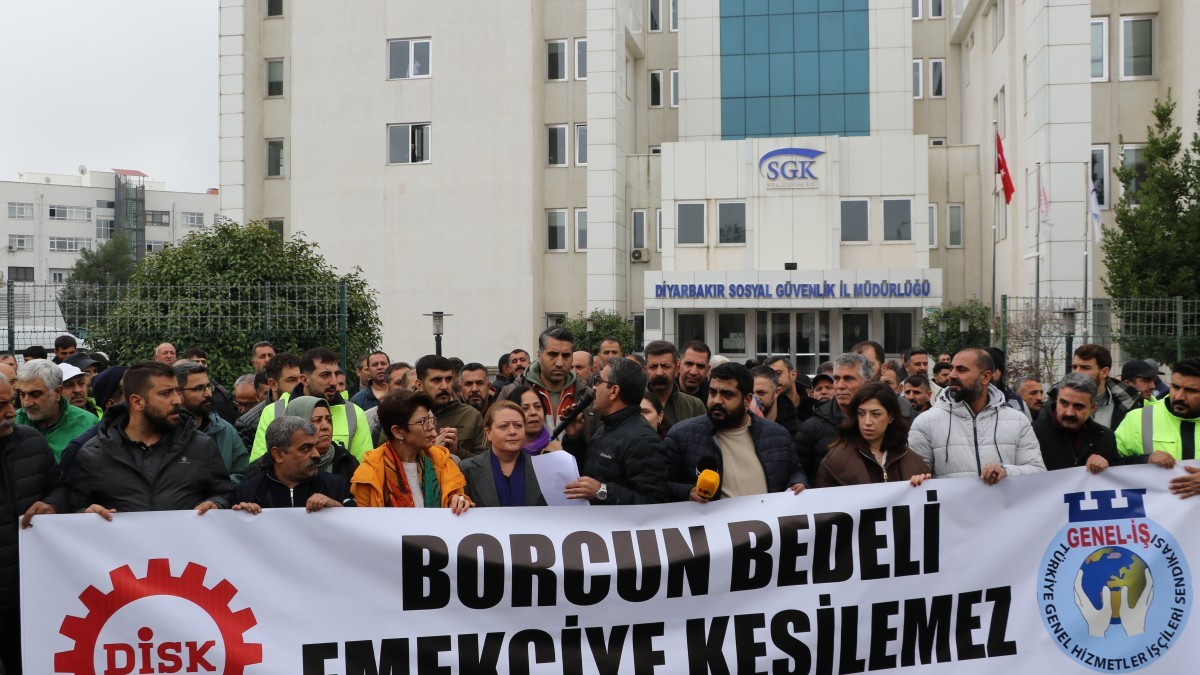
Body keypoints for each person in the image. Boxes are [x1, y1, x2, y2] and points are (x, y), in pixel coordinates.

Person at [67, 361, 233, 517]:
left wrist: (216, 504)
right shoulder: (93, 454)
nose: (177, 400)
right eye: (166, 393)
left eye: (176, 391)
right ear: (137, 402)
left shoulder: (201, 446)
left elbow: (225, 493)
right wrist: (86, 513)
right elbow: (73, 508)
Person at [0, 374, 68, 675]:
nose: (11, 412)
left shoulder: (31, 442)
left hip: (30, 593)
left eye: (11, 401)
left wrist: (52, 504)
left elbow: (60, 487)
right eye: (1, 405)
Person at [665, 362, 806, 502]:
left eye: (727, 394)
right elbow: (664, 484)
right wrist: (688, 492)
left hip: (767, 516)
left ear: (747, 400)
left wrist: (798, 483)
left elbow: (795, 472)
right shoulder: (681, 435)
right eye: (713, 392)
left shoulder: (777, 435)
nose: (716, 400)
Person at [908, 349, 1045, 482]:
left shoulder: (1017, 420)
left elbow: (1037, 471)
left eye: (961, 369)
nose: (952, 375)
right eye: (952, 368)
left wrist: (1007, 472)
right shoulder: (925, 422)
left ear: (985, 377)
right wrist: (919, 480)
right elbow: (914, 477)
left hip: (1004, 499)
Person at [563, 358, 667, 504]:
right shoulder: (605, 428)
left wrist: (602, 491)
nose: (594, 387)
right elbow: (588, 476)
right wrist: (574, 438)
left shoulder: (643, 440)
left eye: (598, 381)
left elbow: (653, 501)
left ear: (614, 391)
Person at [351, 391, 471, 511]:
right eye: (422, 422)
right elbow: (365, 518)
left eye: (430, 420)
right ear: (397, 432)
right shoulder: (370, 471)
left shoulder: (441, 460)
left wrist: (459, 500)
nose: (431, 427)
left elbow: (456, 495)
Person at [250, 348, 373, 462]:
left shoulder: (354, 413)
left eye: (336, 374)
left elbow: (364, 468)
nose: (334, 382)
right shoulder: (274, 411)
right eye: (325, 375)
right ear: (304, 380)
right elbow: (260, 465)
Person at [815, 382, 931, 488]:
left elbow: (925, 501)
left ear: (891, 417)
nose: (867, 422)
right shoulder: (835, 461)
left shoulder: (913, 461)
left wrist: (922, 486)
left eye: (875, 414)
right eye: (861, 413)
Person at [1114, 358, 1200, 498]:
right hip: (1152, 509)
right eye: (1175, 387)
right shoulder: (1138, 419)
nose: (1179, 396)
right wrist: (1145, 460)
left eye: (1191, 391)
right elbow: (1110, 464)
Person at [231, 416, 355, 512]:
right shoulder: (246, 493)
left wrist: (337, 509)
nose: (316, 454)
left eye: (315, 446)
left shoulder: (338, 487)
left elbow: (355, 528)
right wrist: (243, 518)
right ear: (278, 454)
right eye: (306, 448)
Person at [794, 353, 871, 479]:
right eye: (836, 378)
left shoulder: (883, 423)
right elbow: (797, 470)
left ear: (866, 384)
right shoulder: (812, 427)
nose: (840, 385)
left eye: (848, 378)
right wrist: (800, 482)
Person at [246, 396, 359, 482]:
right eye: (317, 420)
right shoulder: (262, 468)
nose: (325, 426)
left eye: (328, 420)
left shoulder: (346, 462)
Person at [174, 360, 249, 484]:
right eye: (199, 388)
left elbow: (243, 472)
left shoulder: (225, 431)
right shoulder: (164, 433)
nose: (208, 394)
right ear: (178, 393)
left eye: (208, 386)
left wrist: (218, 490)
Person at [458, 401, 546, 507]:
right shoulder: (467, 469)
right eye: (503, 426)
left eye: (518, 425)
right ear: (488, 433)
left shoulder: (541, 468)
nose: (512, 431)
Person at [13, 359, 98, 461]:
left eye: (35, 394)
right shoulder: (11, 422)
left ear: (58, 392)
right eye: (22, 394)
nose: (27, 403)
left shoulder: (88, 423)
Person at [1033, 373, 1118, 473]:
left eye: (1078, 406)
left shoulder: (1105, 438)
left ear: (1092, 408)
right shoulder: (1033, 433)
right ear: (1056, 401)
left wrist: (1107, 465)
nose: (1069, 413)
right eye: (1064, 403)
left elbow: (1118, 475)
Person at [1057, 344, 1143, 430]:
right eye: (1074, 367)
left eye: (1085, 368)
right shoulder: (1054, 399)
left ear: (1104, 372)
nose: (1077, 372)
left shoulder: (1127, 404)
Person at [417, 354, 486, 458]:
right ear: (419, 385)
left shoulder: (471, 416)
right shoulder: (405, 416)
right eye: (436, 380)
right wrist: (431, 451)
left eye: (448, 379)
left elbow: (484, 463)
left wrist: (457, 450)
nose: (444, 386)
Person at [235, 352, 301, 448]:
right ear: (273, 384)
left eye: (302, 379)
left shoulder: (314, 407)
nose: (300, 385)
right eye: (291, 380)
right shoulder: (248, 424)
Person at [642, 340, 705, 428]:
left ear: (677, 369)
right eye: (653, 366)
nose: (659, 372)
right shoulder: (632, 403)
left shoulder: (695, 406)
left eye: (665, 366)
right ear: (645, 370)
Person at [750, 366, 800, 435]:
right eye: (750, 394)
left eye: (761, 393)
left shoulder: (796, 430)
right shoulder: (740, 427)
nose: (754, 399)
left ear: (776, 392)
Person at [984, 347, 1030, 418]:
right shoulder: (970, 400)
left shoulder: (1016, 402)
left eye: (993, 369)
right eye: (984, 369)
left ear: (1001, 371)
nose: (988, 374)